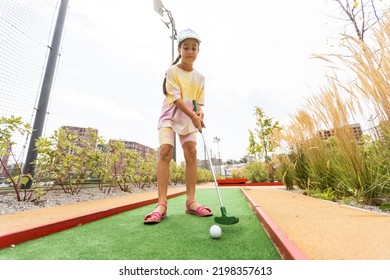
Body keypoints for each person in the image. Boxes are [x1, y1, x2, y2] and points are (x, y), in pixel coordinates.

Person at [144, 28, 213, 224]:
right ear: (179, 49)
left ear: (198, 51)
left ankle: (190, 202)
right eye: (186, 47)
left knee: (191, 152)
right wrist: (193, 115)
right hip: (170, 114)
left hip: (189, 116)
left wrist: (199, 114)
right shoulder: (171, 71)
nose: (190, 51)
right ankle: (162, 204)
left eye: (194, 48)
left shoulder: (200, 78)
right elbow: (175, 99)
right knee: (165, 150)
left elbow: (198, 103)